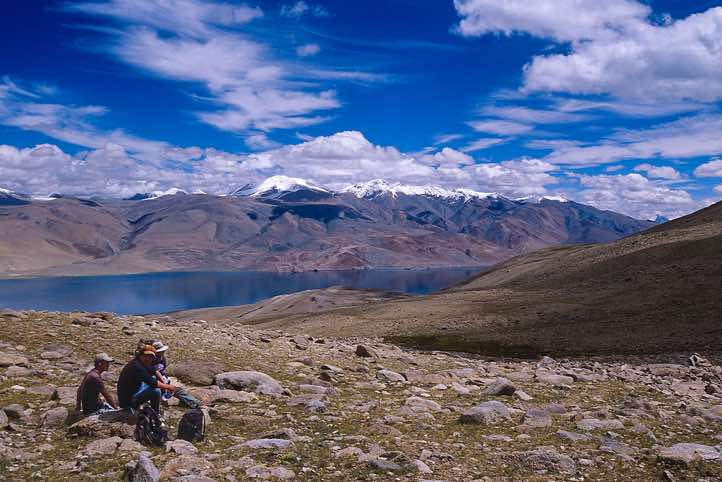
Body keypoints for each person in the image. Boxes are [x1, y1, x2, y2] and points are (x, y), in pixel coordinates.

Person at [117, 344, 176, 414]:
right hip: (128, 401)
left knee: (157, 381)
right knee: (156, 391)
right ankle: (155, 414)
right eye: (145, 356)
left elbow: (154, 371)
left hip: (134, 390)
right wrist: (168, 387)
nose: (148, 359)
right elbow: (153, 383)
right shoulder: (137, 367)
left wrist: (163, 382)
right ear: (141, 355)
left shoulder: (140, 362)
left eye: (150, 357)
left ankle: (149, 404)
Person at [151, 340, 201, 409]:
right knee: (174, 390)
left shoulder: (162, 358)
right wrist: (163, 381)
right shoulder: (151, 360)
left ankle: (195, 403)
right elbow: (155, 371)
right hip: (156, 383)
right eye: (160, 351)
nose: (163, 352)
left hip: (164, 380)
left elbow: (162, 370)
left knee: (178, 390)